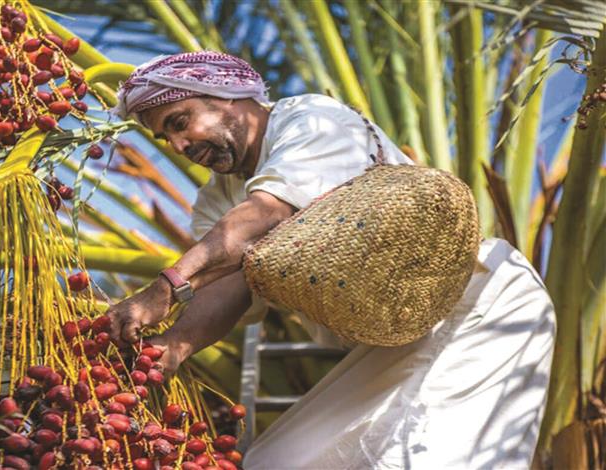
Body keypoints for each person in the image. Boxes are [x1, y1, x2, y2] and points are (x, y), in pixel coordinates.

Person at [108, 51, 556, 469]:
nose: (178, 145)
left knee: (430, 456)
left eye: (180, 122)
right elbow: (232, 282)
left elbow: (265, 215)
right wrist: (176, 344)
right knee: (278, 461)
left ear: (229, 96)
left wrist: (164, 288)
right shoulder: (215, 201)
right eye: (165, 137)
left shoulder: (309, 119)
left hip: (481, 304)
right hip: (384, 341)